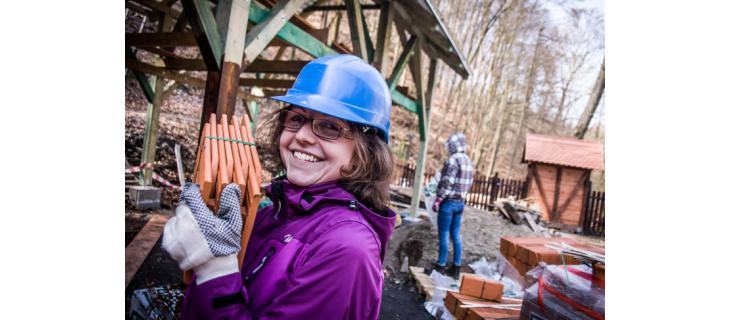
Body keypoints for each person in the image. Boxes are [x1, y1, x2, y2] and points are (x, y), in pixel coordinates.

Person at [161, 54, 397, 319]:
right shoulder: (273, 213)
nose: (302, 136)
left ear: (366, 152)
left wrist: (214, 271)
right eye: (296, 119)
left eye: (330, 127)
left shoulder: (347, 249)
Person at [427, 133, 474, 279]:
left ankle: (440, 266)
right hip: (460, 203)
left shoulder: (453, 160)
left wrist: (438, 199)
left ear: (452, 146)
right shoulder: (468, 160)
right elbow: (469, 183)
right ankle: (456, 268)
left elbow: (447, 182)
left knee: (444, 235)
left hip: (448, 204)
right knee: (456, 235)